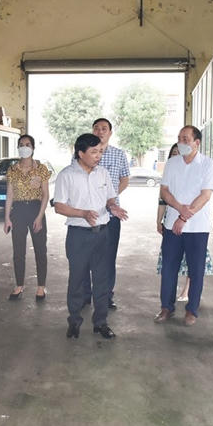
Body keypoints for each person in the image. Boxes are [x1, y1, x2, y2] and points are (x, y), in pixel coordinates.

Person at [54, 133, 128, 340]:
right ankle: (74, 322)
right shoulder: (66, 175)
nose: (99, 156)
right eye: (94, 152)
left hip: (102, 234)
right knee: (77, 280)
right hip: (78, 235)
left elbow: (110, 198)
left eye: (100, 152)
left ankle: (101, 323)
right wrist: (83, 213)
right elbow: (59, 206)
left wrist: (113, 207)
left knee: (102, 280)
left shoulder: (102, 173)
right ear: (80, 153)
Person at [154, 126, 213, 326]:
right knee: (169, 268)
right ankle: (166, 307)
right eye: (179, 138)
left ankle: (192, 310)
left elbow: (205, 195)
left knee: (196, 270)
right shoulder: (172, 163)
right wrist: (179, 207)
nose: (181, 142)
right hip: (172, 225)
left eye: (185, 139)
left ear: (197, 142)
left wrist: (183, 216)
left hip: (196, 227)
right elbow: (164, 191)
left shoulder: (207, 164)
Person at [81, 118, 130, 310]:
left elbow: (124, 179)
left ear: (110, 132)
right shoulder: (83, 153)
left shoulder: (118, 154)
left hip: (111, 214)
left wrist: (109, 196)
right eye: (96, 128)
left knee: (108, 257)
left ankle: (106, 295)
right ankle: (85, 294)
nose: (100, 131)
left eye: (104, 128)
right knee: (85, 256)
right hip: (87, 214)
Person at [4, 134, 51, 301]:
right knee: (18, 251)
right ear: (18, 148)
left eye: (27, 144)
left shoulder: (41, 169)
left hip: (35, 210)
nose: (24, 147)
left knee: (40, 250)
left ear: (33, 148)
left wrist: (39, 217)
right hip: (18, 212)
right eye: (21, 144)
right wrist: (7, 218)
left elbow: (45, 195)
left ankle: (41, 287)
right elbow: (10, 195)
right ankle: (19, 285)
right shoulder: (12, 170)